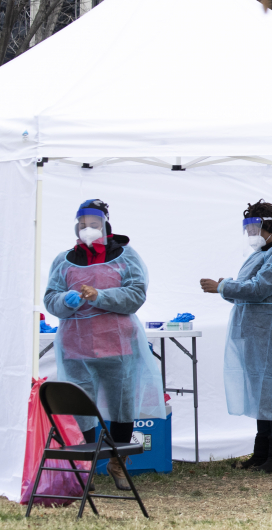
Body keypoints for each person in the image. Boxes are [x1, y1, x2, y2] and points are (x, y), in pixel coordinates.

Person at [44, 199, 165, 490]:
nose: (88, 229)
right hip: (76, 346)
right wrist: (65, 300)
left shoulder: (125, 256)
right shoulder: (64, 260)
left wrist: (100, 295)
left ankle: (118, 462)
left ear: (105, 225)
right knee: (80, 406)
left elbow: (136, 295)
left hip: (118, 344)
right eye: (82, 224)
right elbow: (50, 298)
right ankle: (85, 466)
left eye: (94, 224)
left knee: (123, 405)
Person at [200, 200, 272, 474]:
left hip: (271, 329)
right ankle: (261, 454)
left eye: (253, 228)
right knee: (260, 391)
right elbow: (247, 291)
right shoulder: (261, 255)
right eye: (247, 228)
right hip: (255, 331)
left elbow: (258, 289)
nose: (250, 234)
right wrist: (227, 288)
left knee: (271, 391)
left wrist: (223, 286)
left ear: (269, 226)